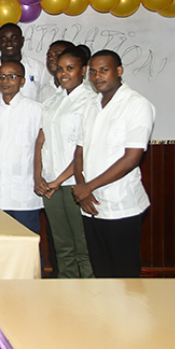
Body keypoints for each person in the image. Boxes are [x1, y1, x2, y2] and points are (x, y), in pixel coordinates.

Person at [73, 50, 155, 278]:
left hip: (121, 206)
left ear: (119, 71)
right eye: (93, 72)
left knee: (124, 274)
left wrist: (87, 188)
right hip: (90, 206)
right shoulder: (91, 105)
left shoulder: (137, 105)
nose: (97, 76)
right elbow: (80, 151)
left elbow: (132, 159)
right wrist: (83, 191)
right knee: (101, 272)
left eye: (104, 70)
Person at [34, 46, 96, 279]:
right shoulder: (53, 99)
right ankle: (67, 296)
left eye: (70, 68)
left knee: (82, 246)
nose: (63, 74)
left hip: (75, 183)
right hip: (50, 183)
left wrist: (58, 181)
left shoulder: (90, 100)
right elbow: (41, 141)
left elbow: (85, 148)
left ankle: (91, 297)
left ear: (84, 70)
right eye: (60, 69)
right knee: (62, 247)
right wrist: (38, 177)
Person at [0, 60, 43, 234]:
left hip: (24, 194)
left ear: (22, 81)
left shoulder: (36, 110)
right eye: (1, 76)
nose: (5, 81)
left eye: (12, 76)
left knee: (28, 247)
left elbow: (42, 150)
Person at [0, 23, 49, 103]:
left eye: (14, 38)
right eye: (4, 40)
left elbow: (47, 100)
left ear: (22, 41)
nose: (9, 43)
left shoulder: (39, 68)